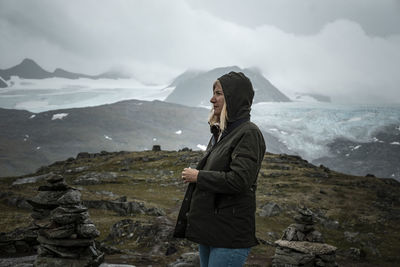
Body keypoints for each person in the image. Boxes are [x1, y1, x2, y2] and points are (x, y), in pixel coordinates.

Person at [173, 71, 266, 267]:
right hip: (211, 232)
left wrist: (199, 176)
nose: (212, 99)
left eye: (218, 93)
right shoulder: (221, 133)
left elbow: (240, 180)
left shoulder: (248, 133)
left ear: (233, 97)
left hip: (229, 236)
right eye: (213, 93)